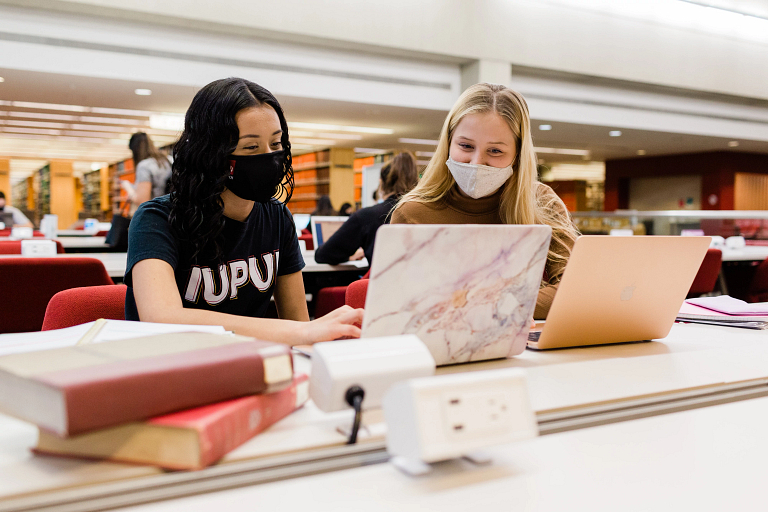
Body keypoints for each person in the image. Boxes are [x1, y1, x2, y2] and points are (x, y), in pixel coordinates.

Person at [125, 77, 363, 345]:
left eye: (276, 144)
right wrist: (300, 332)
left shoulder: (277, 217)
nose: (269, 157)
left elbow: (298, 323)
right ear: (212, 153)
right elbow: (162, 319)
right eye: (251, 147)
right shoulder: (156, 219)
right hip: (169, 369)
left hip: (248, 367)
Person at [391, 83, 578, 319]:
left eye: (495, 151)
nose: (477, 162)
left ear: (517, 155)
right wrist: (510, 304)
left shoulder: (542, 203)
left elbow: (573, 288)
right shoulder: (413, 213)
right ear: (448, 143)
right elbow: (403, 307)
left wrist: (482, 304)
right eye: (466, 146)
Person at [315, 153, 418, 265]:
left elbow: (324, 254)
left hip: (383, 281)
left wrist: (350, 256)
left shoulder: (368, 216)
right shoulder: (423, 212)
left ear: (381, 184)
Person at [129, 132, 173, 206]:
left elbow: (142, 202)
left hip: (155, 212)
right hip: (171, 210)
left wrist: (127, 187)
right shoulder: (169, 160)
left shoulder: (144, 166)